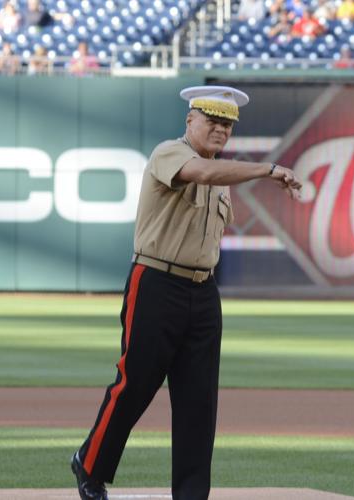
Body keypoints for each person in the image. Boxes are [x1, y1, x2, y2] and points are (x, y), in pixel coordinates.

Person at [70, 85, 302, 500]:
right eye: (211, 120)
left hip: (203, 290)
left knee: (199, 400)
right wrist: (268, 170)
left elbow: (214, 180)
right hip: (156, 282)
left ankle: (192, 494)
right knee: (135, 384)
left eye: (227, 124)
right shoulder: (170, 153)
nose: (220, 130)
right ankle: (90, 465)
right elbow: (204, 173)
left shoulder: (221, 176)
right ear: (189, 120)